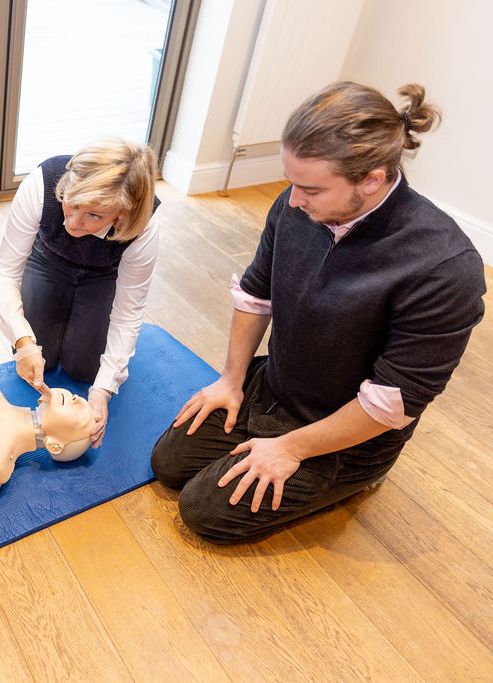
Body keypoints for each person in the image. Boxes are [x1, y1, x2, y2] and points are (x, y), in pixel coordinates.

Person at [150, 82, 486, 544]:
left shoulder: (444, 269)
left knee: (203, 511)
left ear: (371, 179)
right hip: (278, 385)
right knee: (168, 465)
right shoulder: (298, 207)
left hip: (351, 427)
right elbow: (256, 294)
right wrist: (231, 378)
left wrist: (290, 447)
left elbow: (392, 402)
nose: (292, 200)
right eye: (291, 182)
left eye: (309, 188)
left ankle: (360, 475)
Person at [0, 138, 159, 449]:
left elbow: (128, 312)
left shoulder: (143, 227)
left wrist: (103, 391)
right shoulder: (42, 182)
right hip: (48, 261)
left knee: (86, 370)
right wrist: (23, 342)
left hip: (102, 275)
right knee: (41, 358)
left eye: (94, 215)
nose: (73, 221)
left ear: (123, 213)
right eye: (71, 201)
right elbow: (4, 273)